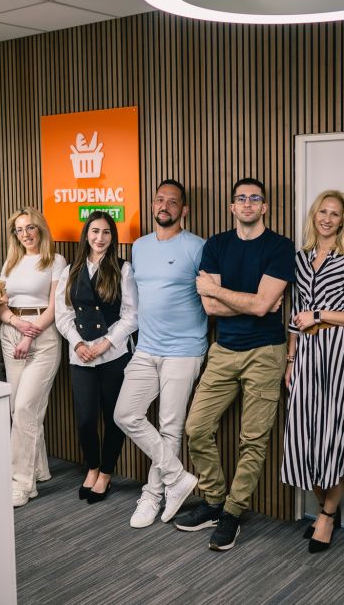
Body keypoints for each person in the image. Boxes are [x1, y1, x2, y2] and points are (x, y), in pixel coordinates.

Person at [174, 178, 295, 552]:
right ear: (232, 207)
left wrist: (221, 291)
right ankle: (214, 501)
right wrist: (254, 302)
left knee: (252, 440)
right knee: (196, 428)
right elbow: (213, 308)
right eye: (241, 198)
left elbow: (261, 306)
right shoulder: (216, 245)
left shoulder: (280, 247)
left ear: (264, 207)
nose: (247, 203)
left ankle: (232, 512)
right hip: (224, 350)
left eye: (254, 198)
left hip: (266, 353)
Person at [281, 189, 344, 554]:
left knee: (335, 437)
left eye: (335, 213)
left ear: (342, 221)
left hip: (340, 356)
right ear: (314, 216)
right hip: (306, 356)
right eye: (323, 211)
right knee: (306, 437)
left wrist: (320, 315)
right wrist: (290, 360)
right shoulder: (300, 259)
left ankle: (328, 515)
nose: (327, 218)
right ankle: (324, 508)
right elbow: (295, 311)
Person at [113, 180, 207, 528]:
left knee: (170, 426)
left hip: (184, 350)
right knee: (125, 414)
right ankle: (177, 478)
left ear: (184, 210)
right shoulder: (139, 247)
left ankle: (152, 496)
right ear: (153, 206)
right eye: (159, 200)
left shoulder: (197, 247)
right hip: (146, 347)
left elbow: (211, 294)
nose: (164, 206)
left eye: (172, 201)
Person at [55, 211, 138, 503]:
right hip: (81, 356)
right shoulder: (71, 270)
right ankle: (91, 467)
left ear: (112, 237)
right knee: (86, 420)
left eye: (106, 232)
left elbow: (131, 315)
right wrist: (78, 343)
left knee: (113, 417)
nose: (100, 238)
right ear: (86, 235)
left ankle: (105, 472)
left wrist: (105, 343)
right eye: (94, 231)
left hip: (114, 354)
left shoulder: (123, 269)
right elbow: (63, 314)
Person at [0, 207, 66, 508]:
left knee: (26, 407)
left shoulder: (56, 261)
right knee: (19, 408)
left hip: (43, 337)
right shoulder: (10, 262)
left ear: (40, 229)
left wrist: (28, 334)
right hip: (11, 334)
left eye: (30, 228)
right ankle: (38, 469)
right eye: (19, 229)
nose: (25, 234)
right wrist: (14, 323)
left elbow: (55, 307)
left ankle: (21, 482)